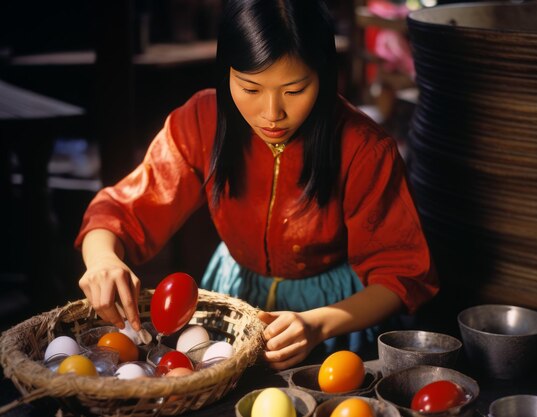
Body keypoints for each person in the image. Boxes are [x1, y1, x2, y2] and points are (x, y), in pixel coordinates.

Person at [75, 0, 438, 370]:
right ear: (226, 73)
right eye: (250, 88)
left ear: (325, 76)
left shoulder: (363, 147)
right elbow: (121, 209)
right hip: (234, 295)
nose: (272, 113)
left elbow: (399, 274)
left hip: (336, 313)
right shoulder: (201, 120)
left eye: (294, 90)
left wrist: (317, 323)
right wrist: (103, 259)